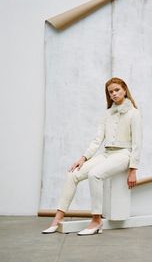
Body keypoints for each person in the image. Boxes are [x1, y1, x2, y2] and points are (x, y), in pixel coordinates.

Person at [42, 77, 143, 235]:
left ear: (124, 90)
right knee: (73, 175)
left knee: (94, 174)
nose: (114, 94)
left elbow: (138, 143)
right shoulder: (106, 114)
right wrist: (83, 158)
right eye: (111, 92)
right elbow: (97, 140)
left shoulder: (134, 113)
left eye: (117, 90)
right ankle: (57, 219)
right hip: (106, 153)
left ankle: (96, 221)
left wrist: (133, 169)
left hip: (124, 155)